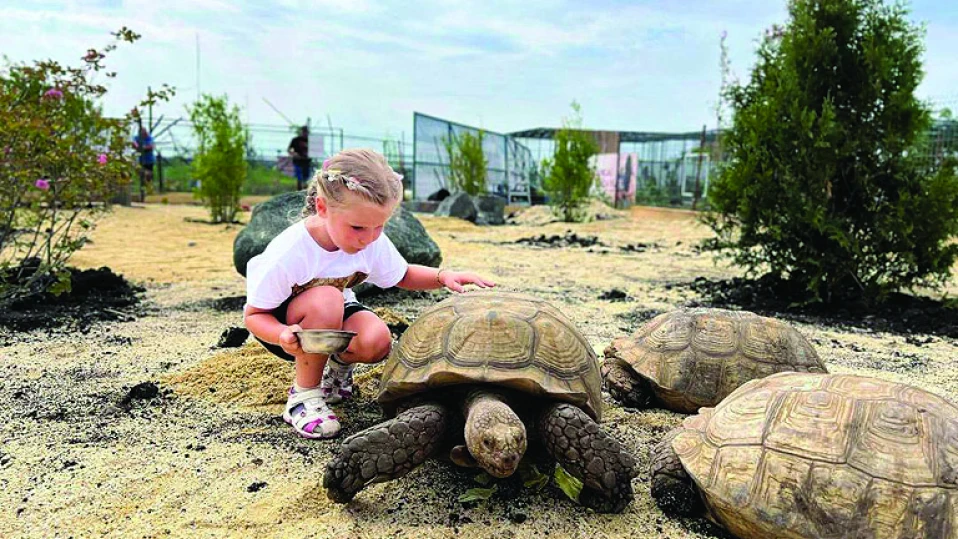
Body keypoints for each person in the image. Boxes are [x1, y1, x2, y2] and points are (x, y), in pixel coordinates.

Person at [244, 148, 495, 439]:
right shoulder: (291, 252)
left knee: (377, 340)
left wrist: (443, 276)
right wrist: (282, 335)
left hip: (333, 316)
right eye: (358, 227)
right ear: (323, 208)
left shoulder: (371, 240)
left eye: (379, 226)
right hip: (287, 329)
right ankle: (303, 395)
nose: (368, 238)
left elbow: (402, 275)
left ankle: (336, 370)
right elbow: (254, 315)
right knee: (327, 299)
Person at [133, 126, 155, 197]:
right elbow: (134, 144)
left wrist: (143, 148)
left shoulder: (149, 138)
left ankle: (149, 188)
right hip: (140, 160)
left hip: (149, 160)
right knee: (141, 174)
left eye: (144, 132)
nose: (143, 134)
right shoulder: (137, 138)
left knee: (149, 175)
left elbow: (151, 146)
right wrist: (138, 147)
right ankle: (144, 189)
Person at [287, 125, 311, 191]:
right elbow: (289, 150)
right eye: (303, 131)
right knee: (299, 177)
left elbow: (316, 150)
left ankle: (305, 191)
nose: (305, 133)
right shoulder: (295, 140)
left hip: (307, 162)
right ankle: (299, 191)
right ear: (301, 132)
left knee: (306, 178)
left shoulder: (311, 140)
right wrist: (294, 153)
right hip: (297, 161)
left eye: (306, 132)